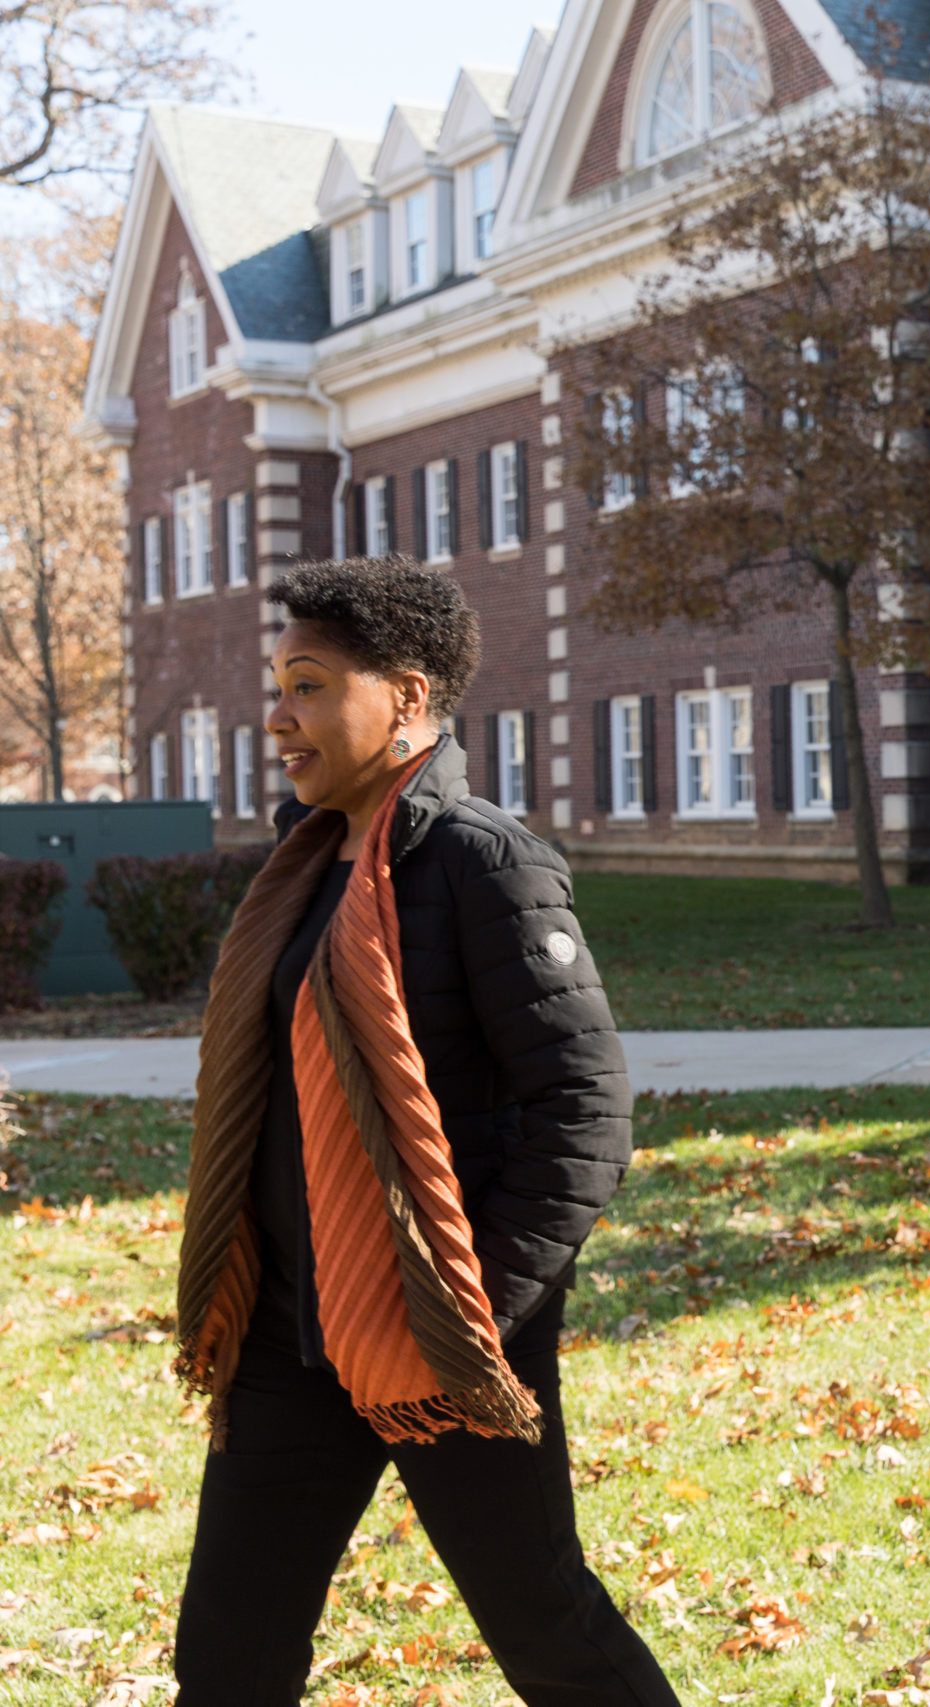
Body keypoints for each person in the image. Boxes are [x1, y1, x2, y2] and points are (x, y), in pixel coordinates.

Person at [170, 558, 676, 1705]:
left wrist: (468, 1311)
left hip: (443, 1334)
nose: (278, 716)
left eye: (306, 686)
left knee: (548, 1627)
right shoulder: (303, 871)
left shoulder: (481, 861)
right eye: (277, 686)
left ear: (403, 699)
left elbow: (583, 1109)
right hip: (289, 1341)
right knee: (227, 1653)